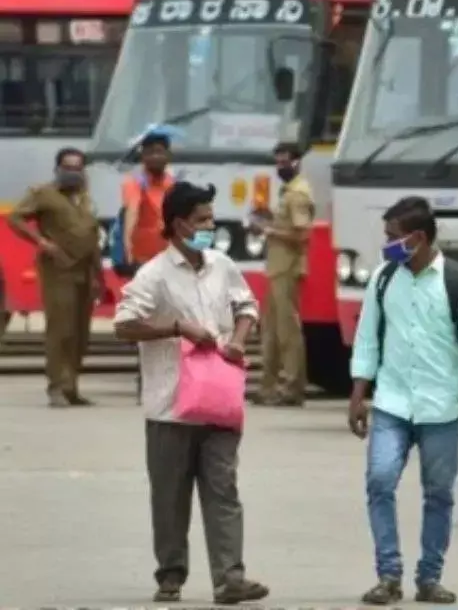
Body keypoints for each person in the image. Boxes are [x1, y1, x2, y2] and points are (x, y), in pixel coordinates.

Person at [113, 181, 269, 605]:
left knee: (224, 492)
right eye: (202, 219)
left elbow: (247, 306)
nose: (210, 225)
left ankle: (229, 579)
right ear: (179, 223)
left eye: (210, 217)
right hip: (170, 407)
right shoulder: (154, 275)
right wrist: (177, 327)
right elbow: (124, 324)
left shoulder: (222, 264)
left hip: (219, 403)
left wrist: (238, 339)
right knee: (170, 498)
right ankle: (170, 576)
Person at [347, 196, 458, 605]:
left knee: (439, 493)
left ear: (417, 238)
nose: (387, 244)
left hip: (441, 407)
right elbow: (366, 341)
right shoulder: (382, 278)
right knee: (379, 481)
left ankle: (429, 577)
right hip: (392, 404)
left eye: (392, 237)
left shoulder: (457, 281)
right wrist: (358, 396)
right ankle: (388, 574)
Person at [8, 147, 104, 407]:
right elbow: (14, 218)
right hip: (58, 269)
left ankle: (72, 385)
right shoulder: (43, 194)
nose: (73, 173)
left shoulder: (84, 199)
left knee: (80, 331)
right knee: (60, 329)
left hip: (84, 270)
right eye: (67, 167)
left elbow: (92, 237)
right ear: (57, 169)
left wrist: (99, 275)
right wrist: (41, 242)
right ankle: (56, 388)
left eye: (77, 168)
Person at [250, 142, 314, 406]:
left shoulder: (298, 194)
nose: (280, 167)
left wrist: (267, 230)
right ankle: (269, 386)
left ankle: (291, 387)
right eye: (277, 162)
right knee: (271, 330)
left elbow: (303, 235)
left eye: (285, 161)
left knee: (287, 332)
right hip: (278, 267)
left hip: (287, 268)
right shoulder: (287, 191)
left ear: (297, 162)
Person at [120, 131, 175, 275]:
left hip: (170, 258)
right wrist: (127, 248)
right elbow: (132, 212)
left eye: (159, 152)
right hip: (142, 260)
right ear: (143, 156)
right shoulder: (134, 183)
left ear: (168, 155)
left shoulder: (174, 184)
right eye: (150, 152)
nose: (155, 157)